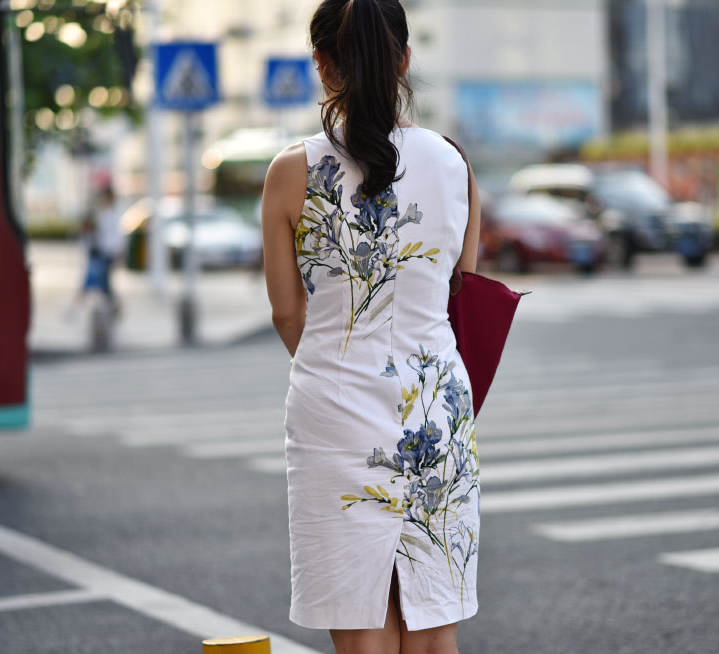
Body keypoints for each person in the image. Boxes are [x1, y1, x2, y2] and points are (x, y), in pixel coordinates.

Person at [261, 1, 482, 652]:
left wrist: (338, 365)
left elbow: (286, 312)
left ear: (323, 66)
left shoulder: (292, 173)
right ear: (404, 61)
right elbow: (462, 295)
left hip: (333, 410)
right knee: (435, 631)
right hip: (436, 412)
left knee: (362, 635)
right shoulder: (454, 163)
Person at [79, 185, 125, 316]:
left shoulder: (115, 213)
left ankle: (113, 305)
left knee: (105, 280)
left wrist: (118, 252)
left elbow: (117, 235)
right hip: (102, 250)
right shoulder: (103, 212)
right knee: (104, 280)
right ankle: (112, 305)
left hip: (110, 251)